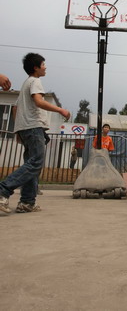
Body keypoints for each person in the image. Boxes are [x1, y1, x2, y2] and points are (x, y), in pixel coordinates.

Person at [0, 53, 70, 214]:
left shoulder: (26, 83)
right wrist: (60, 110)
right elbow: (39, 101)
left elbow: (16, 108)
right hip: (33, 127)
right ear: (36, 68)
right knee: (36, 162)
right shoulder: (36, 81)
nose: (45, 67)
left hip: (26, 128)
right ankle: (3, 190)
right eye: (43, 64)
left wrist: (18, 129)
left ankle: (27, 201)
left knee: (31, 164)